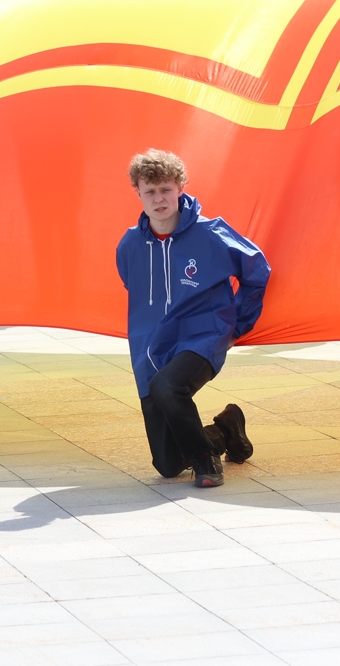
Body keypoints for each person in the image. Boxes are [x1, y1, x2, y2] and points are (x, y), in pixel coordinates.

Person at [115, 150, 265, 488]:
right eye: (150, 191)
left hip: (202, 337)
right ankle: (226, 430)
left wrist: (236, 323)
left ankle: (204, 459)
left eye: (166, 189)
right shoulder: (129, 246)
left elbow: (257, 269)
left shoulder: (211, 233)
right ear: (137, 193)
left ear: (180, 187)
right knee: (167, 465)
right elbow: (134, 288)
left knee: (168, 387)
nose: (159, 199)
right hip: (152, 349)